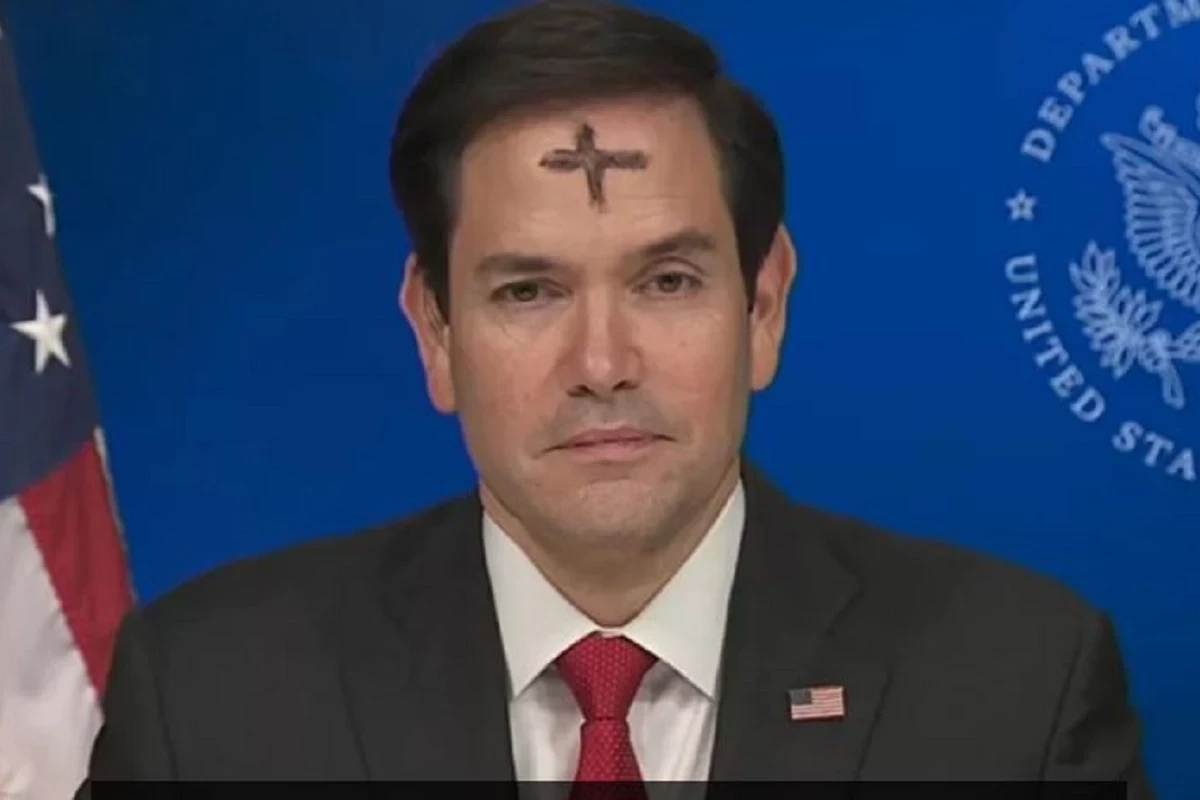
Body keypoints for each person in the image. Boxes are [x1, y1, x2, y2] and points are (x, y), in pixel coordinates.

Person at [79, 0, 1153, 794]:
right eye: (528, 291)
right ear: (435, 330)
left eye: (667, 281)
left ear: (764, 303)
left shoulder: (1015, 688)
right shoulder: (211, 700)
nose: (602, 363)